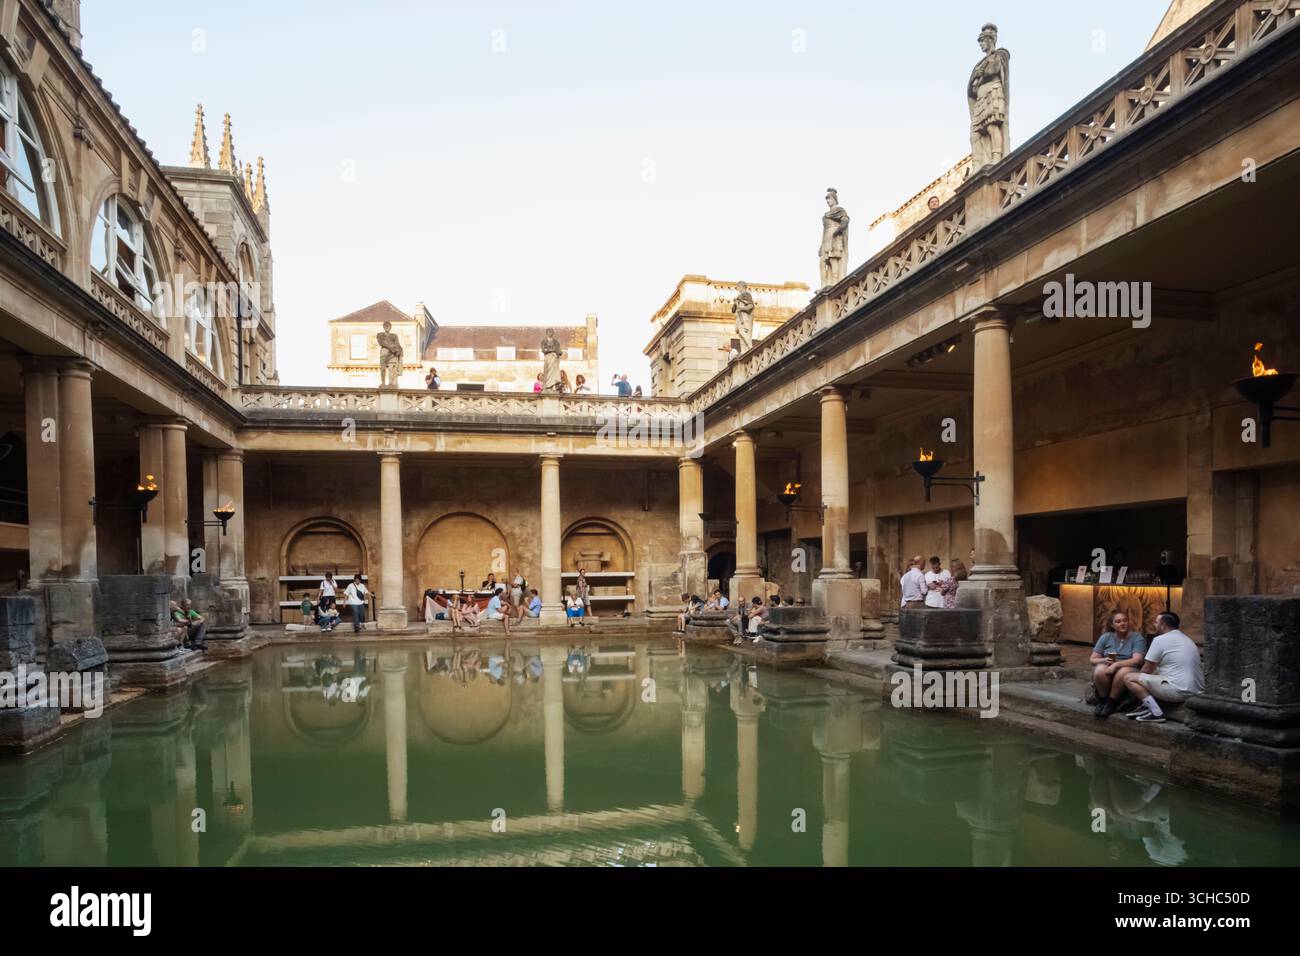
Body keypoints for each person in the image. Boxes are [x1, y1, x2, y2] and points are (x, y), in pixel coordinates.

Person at [1122, 612, 1204, 723]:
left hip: (1179, 691)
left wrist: (1137, 689)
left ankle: (1156, 712)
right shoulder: (1187, 639)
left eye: (1156, 622)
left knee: (1129, 678)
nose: (1154, 625)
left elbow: (1147, 669)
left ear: (1163, 625)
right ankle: (1146, 706)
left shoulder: (1160, 640)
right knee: (1155, 673)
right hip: (1196, 690)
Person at [1089, 611, 1146, 718]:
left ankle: (1112, 702)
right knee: (1100, 669)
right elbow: (1092, 659)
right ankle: (1103, 700)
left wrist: (1116, 665)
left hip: (1129, 667)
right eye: (1118, 621)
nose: (1122, 623)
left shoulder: (1137, 637)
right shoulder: (1106, 637)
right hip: (1108, 666)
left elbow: (1137, 660)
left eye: (1125, 620)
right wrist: (1104, 660)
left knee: (1123, 671)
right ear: (1112, 625)